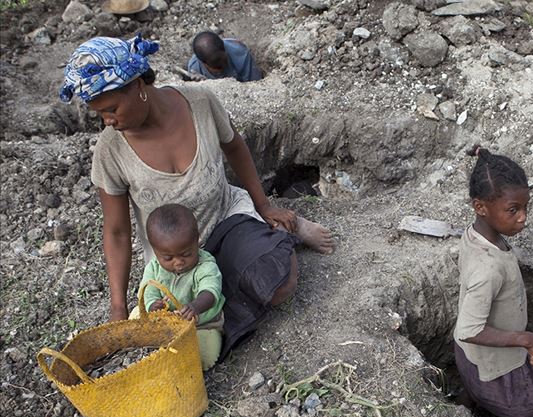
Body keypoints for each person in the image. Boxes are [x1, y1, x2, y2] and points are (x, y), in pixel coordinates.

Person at [59, 34, 333, 359]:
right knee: (187, 319)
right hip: (175, 257)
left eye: (112, 109)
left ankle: (284, 227)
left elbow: (234, 146)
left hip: (224, 217)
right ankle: (247, 264)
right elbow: (117, 231)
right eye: (99, 114)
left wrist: (264, 204)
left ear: (138, 85)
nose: (108, 121)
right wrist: (118, 307)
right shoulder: (110, 150)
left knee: (279, 285)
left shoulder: (200, 103)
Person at [452, 145, 533, 417]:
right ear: (480, 207)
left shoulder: (478, 235)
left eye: (525, 207)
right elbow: (470, 329)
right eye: (513, 210)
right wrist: (528, 339)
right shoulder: (488, 268)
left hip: (470, 356)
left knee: (477, 386)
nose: (523, 217)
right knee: (531, 406)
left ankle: (469, 399)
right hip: (494, 364)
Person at [136, 204, 225, 371]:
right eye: (168, 258)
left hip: (203, 324)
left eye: (186, 254)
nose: (178, 262)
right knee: (135, 315)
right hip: (167, 322)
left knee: (204, 356)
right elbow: (147, 290)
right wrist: (152, 304)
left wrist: (196, 306)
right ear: (155, 250)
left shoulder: (205, 265)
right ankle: (161, 344)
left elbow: (211, 291)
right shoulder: (154, 268)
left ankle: (181, 356)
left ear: (197, 240)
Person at [187, 31, 262, 82]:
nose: (222, 67)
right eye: (217, 67)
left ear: (225, 50)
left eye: (224, 61)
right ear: (204, 63)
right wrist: (203, 84)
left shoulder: (240, 53)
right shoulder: (195, 68)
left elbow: (255, 83)